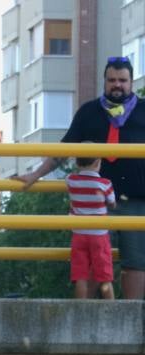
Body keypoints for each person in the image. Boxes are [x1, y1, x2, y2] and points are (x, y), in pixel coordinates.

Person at [16, 56, 145, 299]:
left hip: (137, 201)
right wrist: (35, 175)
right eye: (111, 80)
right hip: (95, 204)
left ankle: (133, 322)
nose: (117, 85)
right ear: (104, 82)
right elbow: (64, 150)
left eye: (122, 80)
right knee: (94, 263)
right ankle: (88, 318)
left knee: (136, 262)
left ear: (132, 82)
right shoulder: (89, 112)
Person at [66, 153, 117, 300]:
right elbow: (112, 203)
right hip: (99, 234)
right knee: (104, 275)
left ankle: (80, 310)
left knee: (80, 276)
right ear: (98, 163)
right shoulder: (105, 183)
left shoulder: (71, 180)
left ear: (77, 163)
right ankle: (112, 309)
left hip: (79, 233)